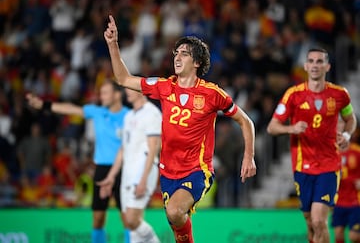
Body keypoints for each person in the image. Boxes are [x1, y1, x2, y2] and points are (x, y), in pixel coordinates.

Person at [104, 15, 257, 243]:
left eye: (184, 53)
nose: (177, 56)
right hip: (168, 172)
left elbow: (246, 121)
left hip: (197, 169)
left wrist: (249, 156)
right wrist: (113, 44)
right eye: (176, 53)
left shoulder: (212, 94)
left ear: (196, 62)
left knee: (175, 211)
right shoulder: (165, 86)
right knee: (175, 219)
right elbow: (124, 78)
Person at [267, 47, 357, 243]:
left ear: (327, 66)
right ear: (306, 66)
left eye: (320, 61)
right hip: (302, 166)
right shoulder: (293, 95)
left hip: (329, 165)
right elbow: (272, 127)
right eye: (312, 61)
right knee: (310, 222)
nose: (315, 65)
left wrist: (348, 135)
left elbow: (351, 119)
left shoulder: (340, 94)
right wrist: (291, 129)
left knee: (318, 221)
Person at [26, 80, 129, 243]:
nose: (101, 97)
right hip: (102, 169)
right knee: (98, 219)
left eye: (105, 93)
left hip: (124, 170)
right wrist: (43, 105)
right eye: (101, 93)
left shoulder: (129, 116)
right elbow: (70, 109)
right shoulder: (97, 112)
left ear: (117, 95)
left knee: (128, 219)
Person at [97, 88, 162, 243]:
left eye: (131, 89)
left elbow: (154, 147)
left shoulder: (151, 113)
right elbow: (123, 149)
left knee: (133, 219)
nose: (127, 92)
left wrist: (143, 179)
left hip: (142, 171)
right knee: (130, 225)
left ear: (141, 91)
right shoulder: (128, 116)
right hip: (127, 173)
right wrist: (111, 177)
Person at [331, 120, 360, 243]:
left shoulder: (357, 152)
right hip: (339, 201)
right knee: (338, 234)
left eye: (342, 124)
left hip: (356, 201)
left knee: (354, 237)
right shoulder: (331, 152)